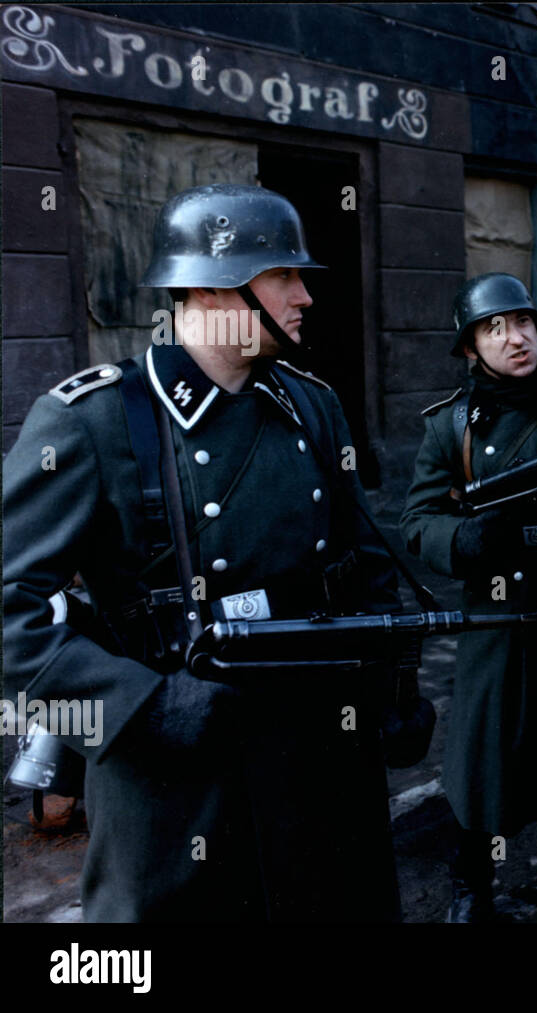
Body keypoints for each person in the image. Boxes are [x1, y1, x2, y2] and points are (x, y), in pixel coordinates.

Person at [2, 183, 404, 921]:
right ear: (212, 288)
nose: (305, 296)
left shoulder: (312, 403)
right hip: (178, 782)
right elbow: (11, 613)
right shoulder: (93, 420)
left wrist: (397, 678)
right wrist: (147, 705)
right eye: (283, 275)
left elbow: (364, 556)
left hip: (321, 762)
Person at [399, 273, 537, 922]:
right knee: (478, 763)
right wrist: (469, 538)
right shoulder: (451, 426)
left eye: (522, 324)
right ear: (470, 349)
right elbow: (416, 524)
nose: (514, 338)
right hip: (499, 612)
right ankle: (472, 892)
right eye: (494, 329)